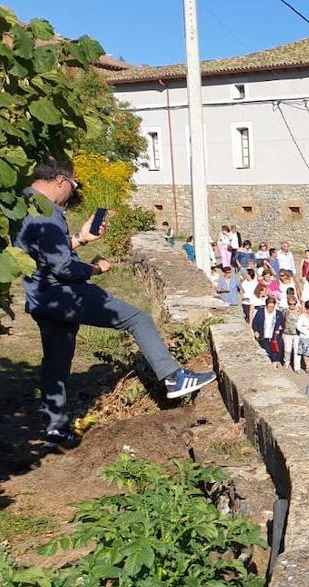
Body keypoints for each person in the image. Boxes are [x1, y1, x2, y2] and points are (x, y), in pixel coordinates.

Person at [14, 158, 214, 446]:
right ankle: (173, 377)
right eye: (73, 185)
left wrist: (82, 238)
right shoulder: (46, 213)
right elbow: (63, 268)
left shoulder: (23, 205)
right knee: (137, 319)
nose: (72, 191)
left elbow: (45, 251)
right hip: (64, 294)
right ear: (60, 180)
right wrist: (96, 269)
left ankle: (55, 428)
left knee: (56, 362)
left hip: (39, 296)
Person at [252, 295, 286, 365]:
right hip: (263, 338)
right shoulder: (260, 312)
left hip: (274, 339)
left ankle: (274, 368)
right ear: (266, 305)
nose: (271, 308)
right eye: (269, 307)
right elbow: (254, 323)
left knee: (275, 355)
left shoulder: (278, 314)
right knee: (267, 354)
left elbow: (282, 325)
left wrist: (280, 330)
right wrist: (256, 331)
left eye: (273, 307)